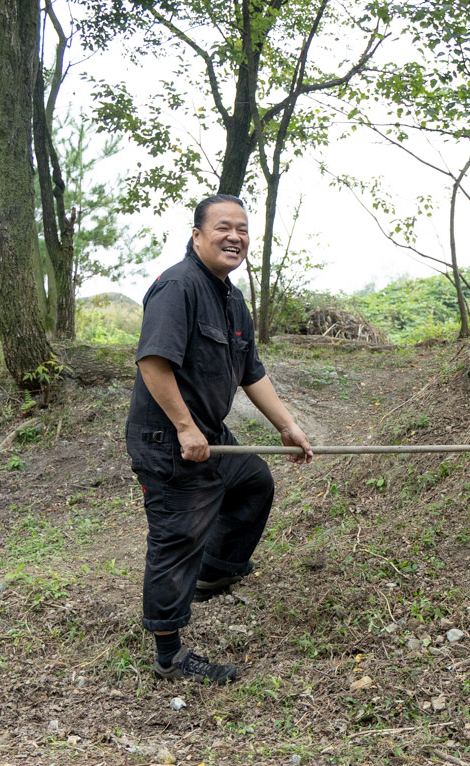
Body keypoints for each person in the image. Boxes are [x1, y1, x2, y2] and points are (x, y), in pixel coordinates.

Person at [125, 194, 313, 685]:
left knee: (253, 480)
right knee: (176, 538)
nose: (235, 237)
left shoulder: (231, 297)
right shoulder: (178, 287)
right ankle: (169, 654)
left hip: (210, 434)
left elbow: (251, 371)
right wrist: (185, 428)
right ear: (197, 235)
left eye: (243, 229)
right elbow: (152, 363)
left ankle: (214, 573)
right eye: (223, 227)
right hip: (169, 438)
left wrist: (286, 426)